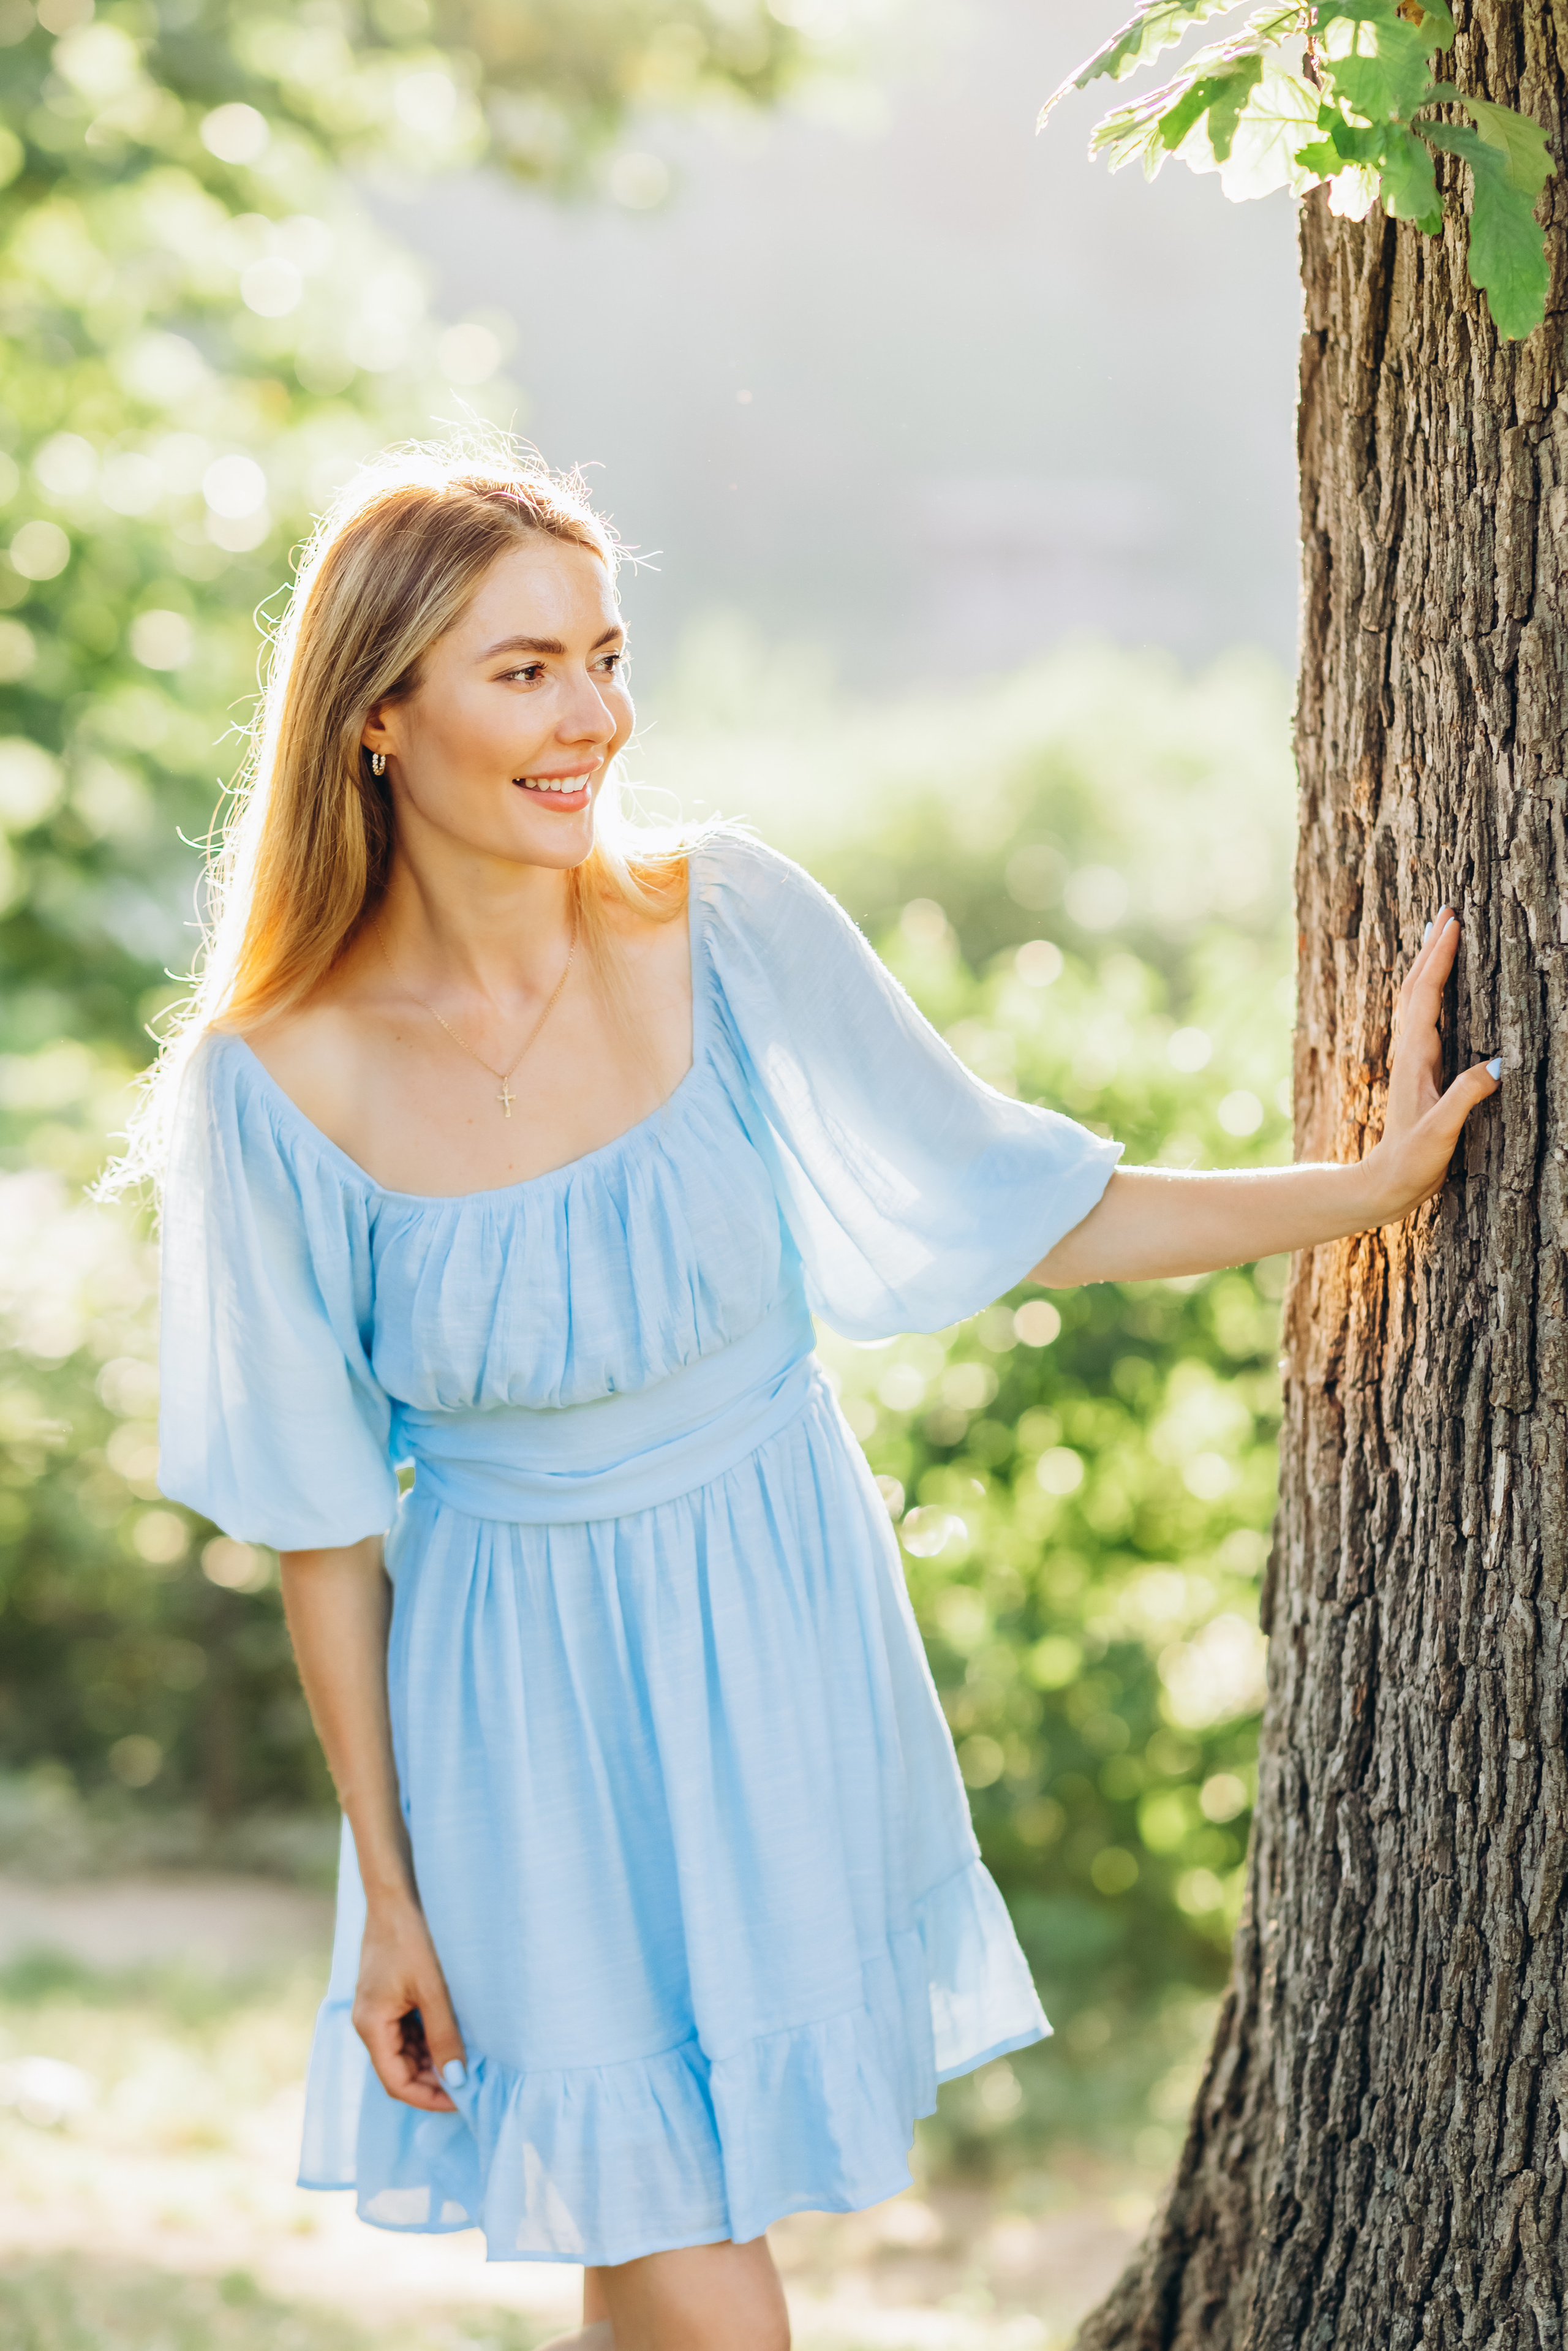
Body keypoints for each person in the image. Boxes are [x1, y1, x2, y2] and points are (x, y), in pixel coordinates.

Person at [144, 440, 1499, 2351]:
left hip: (774, 1637)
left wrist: (1355, 1193)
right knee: (708, 2286)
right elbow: (318, 1520)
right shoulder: (276, 1078)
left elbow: (1018, 1206)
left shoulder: (724, 920)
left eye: (606, 657)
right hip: (515, 1714)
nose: (593, 718)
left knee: (660, 2247)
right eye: (525, 671)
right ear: (378, 714)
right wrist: (390, 1890)